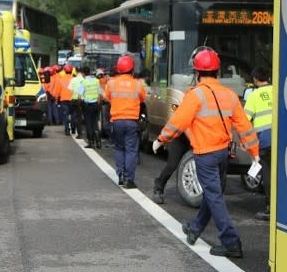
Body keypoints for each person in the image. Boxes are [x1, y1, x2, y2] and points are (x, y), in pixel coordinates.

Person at [152, 47, 260, 258]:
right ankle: (195, 228)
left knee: (214, 197)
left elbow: (178, 123)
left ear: (197, 72)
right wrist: (254, 151)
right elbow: (244, 126)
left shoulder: (195, 95)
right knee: (213, 194)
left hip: (205, 154)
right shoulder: (230, 95)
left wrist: (160, 139)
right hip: (222, 153)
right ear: (218, 71)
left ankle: (231, 242)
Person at [104, 55, 146, 188]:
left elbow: (108, 98)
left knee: (119, 148)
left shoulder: (111, 83)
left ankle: (120, 174)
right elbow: (142, 98)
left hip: (116, 121)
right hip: (132, 121)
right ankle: (129, 179)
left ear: (119, 69)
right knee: (131, 150)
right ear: (132, 69)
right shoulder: (138, 84)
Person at [244, 66, 272, 221]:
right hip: (283, 139)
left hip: (265, 141)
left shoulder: (254, 96)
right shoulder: (277, 91)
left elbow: (245, 120)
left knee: (267, 174)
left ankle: (270, 208)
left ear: (255, 79)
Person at [79, 66, 101, 148]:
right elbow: (99, 94)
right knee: (95, 123)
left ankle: (91, 142)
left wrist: (80, 105)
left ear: (83, 73)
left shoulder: (84, 82)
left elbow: (79, 96)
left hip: (87, 106)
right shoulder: (96, 81)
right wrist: (98, 104)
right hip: (96, 105)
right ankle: (98, 142)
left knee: (88, 123)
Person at [55, 64, 76, 135]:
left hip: (63, 99)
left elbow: (57, 91)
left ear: (64, 71)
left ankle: (67, 129)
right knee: (73, 114)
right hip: (73, 99)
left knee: (65, 114)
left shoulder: (61, 79)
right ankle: (73, 128)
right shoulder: (74, 79)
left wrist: (56, 99)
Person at [68, 67, 85, 139]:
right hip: (81, 100)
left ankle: (73, 129)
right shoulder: (84, 80)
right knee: (79, 117)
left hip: (73, 99)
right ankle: (80, 133)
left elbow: (70, 89)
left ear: (76, 72)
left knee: (73, 115)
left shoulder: (73, 79)